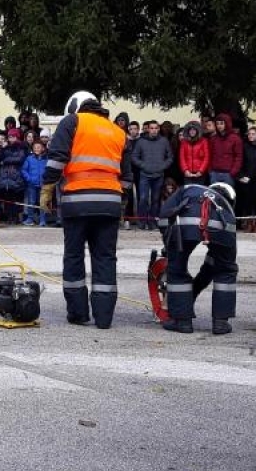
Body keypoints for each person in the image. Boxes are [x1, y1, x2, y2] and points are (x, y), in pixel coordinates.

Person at [41, 91, 131, 329]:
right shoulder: (117, 131)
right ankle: (104, 318)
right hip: (109, 204)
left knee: (74, 256)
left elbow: (57, 159)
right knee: (105, 257)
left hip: (76, 202)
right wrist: (119, 205)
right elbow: (128, 178)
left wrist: (47, 189)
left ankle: (78, 313)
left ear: (75, 106)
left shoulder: (72, 122)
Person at [158, 182, 238, 335]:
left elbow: (164, 217)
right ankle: (221, 323)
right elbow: (223, 262)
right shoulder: (228, 209)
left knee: (177, 269)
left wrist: (169, 247)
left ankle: (182, 322)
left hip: (183, 227)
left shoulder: (188, 189)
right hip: (221, 227)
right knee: (226, 271)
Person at [132, 120, 173, 229]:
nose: (154, 130)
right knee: (143, 198)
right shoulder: (141, 141)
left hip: (159, 175)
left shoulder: (164, 141)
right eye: (152, 128)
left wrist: (163, 166)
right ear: (148, 129)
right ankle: (141, 222)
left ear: (158, 129)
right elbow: (134, 157)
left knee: (155, 199)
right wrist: (143, 165)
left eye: (156, 128)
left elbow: (170, 157)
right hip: (145, 174)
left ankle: (152, 222)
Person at [208, 113, 243, 187]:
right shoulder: (213, 139)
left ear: (227, 124)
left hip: (228, 174)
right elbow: (210, 155)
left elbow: (238, 157)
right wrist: (210, 170)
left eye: (221, 123)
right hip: (215, 173)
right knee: (215, 195)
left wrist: (233, 172)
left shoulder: (235, 139)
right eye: (217, 124)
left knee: (227, 196)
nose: (219, 126)